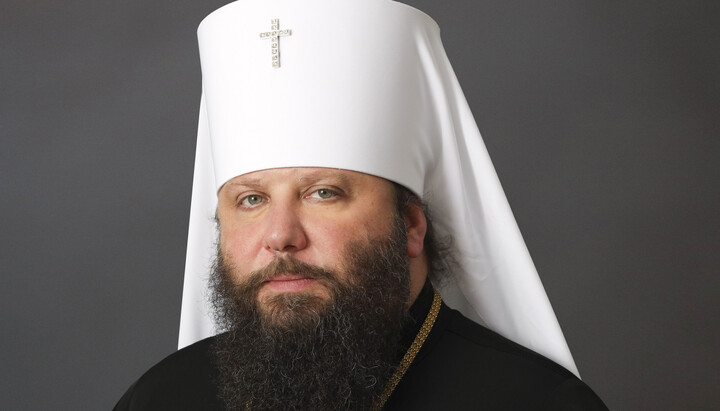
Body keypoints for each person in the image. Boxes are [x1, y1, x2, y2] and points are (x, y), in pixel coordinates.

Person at [115, 0, 608, 409]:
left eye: (323, 193)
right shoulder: (160, 399)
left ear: (411, 225)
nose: (280, 235)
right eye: (251, 199)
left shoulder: (539, 401)